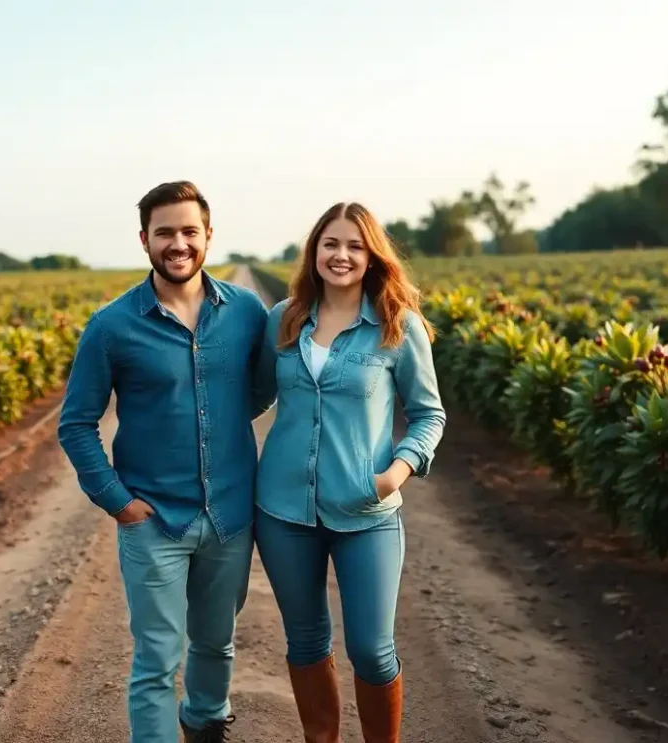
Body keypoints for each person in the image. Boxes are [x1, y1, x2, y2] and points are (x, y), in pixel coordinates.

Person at [57, 180, 274, 743]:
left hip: (229, 514)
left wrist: (222, 422)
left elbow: (261, 390)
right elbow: (76, 423)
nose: (178, 244)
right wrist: (119, 502)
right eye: (164, 233)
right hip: (153, 519)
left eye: (189, 231)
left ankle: (205, 722)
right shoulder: (111, 326)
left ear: (208, 236)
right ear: (144, 240)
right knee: (156, 659)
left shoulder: (246, 312)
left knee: (216, 643)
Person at [252, 201, 446, 743]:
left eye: (354, 246)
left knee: (372, 649)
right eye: (331, 244)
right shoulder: (284, 318)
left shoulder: (398, 326)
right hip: (283, 510)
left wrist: (395, 473)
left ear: (372, 256)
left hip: (368, 511)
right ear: (314, 251)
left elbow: (429, 414)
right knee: (306, 641)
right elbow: (254, 396)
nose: (341, 255)